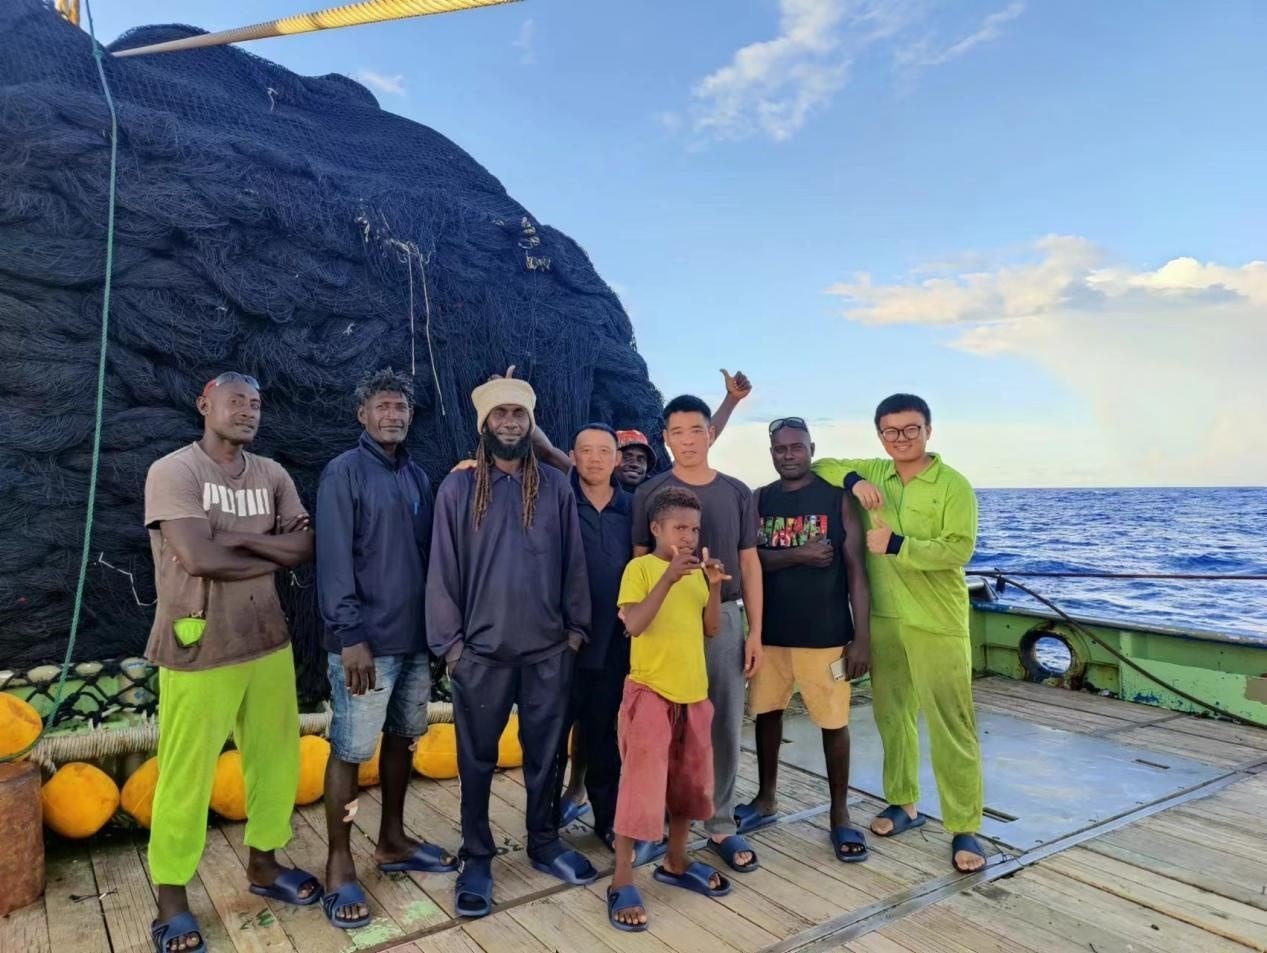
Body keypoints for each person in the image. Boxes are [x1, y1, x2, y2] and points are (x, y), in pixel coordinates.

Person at [143, 372, 318, 953]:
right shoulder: (175, 471)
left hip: (266, 639)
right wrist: (270, 551)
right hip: (198, 644)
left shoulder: (272, 475)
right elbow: (197, 557)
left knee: (275, 760)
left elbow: (305, 546)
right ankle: (172, 897)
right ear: (205, 404)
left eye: (256, 404)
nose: (248, 411)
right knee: (187, 772)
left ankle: (264, 864)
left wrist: (236, 542)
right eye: (236, 401)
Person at [426, 373, 596, 919]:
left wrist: (575, 633)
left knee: (546, 756)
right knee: (475, 760)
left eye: (518, 414)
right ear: (484, 423)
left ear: (531, 423)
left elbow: (574, 563)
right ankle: (477, 857)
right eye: (499, 414)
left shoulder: (555, 487)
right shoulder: (458, 489)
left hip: (548, 652)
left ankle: (544, 842)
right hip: (480, 655)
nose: (509, 423)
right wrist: (452, 649)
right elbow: (442, 571)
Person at [813, 394, 986, 873]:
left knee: (952, 723)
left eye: (911, 429)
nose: (901, 438)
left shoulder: (953, 485)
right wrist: (854, 480)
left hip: (937, 621)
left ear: (929, 430)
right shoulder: (876, 471)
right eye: (890, 431)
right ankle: (903, 802)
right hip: (885, 619)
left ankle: (964, 825)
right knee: (892, 716)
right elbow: (822, 464)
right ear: (880, 435)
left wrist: (898, 545)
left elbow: (959, 549)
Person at [315, 368, 458, 931]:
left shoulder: (418, 477)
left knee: (403, 739)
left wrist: (439, 632)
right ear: (363, 415)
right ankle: (339, 862)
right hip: (364, 645)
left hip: (415, 639)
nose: (393, 415)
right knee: (350, 749)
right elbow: (332, 559)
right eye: (383, 406)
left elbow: (432, 559)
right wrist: (350, 636)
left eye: (401, 407)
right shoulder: (343, 472)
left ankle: (393, 840)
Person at [632, 395, 764, 874]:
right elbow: (640, 562)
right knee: (665, 726)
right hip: (666, 621)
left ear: (711, 433)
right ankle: (664, 824)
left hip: (723, 617)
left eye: (696, 430)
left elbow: (749, 562)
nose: (687, 440)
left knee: (723, 723)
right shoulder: (650, 492)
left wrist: (756, 632)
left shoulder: (736, 492)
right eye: (677, 432)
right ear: (665, 438)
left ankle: (721, 822)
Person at [742, 417, 871, 862]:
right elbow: (748, 560)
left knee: (833, 722)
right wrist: (798, 554)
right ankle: (765, 798)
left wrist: (862, 636)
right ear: (771, 453)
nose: (789, 455)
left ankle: (840, 814)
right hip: (770, 633)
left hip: (826, 634)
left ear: (812, 449)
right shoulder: (759, 499)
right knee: (766, 714)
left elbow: (856, 569)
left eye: (797, 447)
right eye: (780, 449)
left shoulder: (836, 499)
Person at [607, 487, 733, 931]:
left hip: (693, 693)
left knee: (687, 784)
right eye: (680, 528)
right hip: (650, 692)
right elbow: (635, 624)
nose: (688, 536)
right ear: (656, 528)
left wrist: (712, 588)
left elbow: (711, 629)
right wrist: (668, 579)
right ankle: (622, 877)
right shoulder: (640, 569)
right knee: (640, 786)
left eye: (694, 529)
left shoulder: (696, 574)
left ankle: (676, 861)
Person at [614, 369, 750, 491]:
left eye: (641, 459)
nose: (634, 464)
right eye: (626, 457)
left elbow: (699, 442)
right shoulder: (602, 491)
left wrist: (731, 399)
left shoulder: (655, 489)